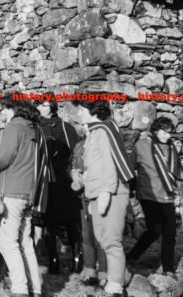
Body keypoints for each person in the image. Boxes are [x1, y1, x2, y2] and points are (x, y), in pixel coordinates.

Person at [0, 94, 51, 297]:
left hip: (13, 191)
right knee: (25, 242)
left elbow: (4, 158)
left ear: (14, 108)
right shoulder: (35, 128)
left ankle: (20, 290)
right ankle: (35, 288)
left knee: (6, 241)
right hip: (31, 192)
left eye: (5, 108)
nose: (2, 112)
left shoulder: (14, 127)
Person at [73, 98, 135, 297]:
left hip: (111, 192)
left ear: (92, 111)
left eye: (81, 110)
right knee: (102, 238)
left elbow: (108, 165)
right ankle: (120, 275)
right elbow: (94, 166)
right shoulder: (93, 132)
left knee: (111, 241)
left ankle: (115, 286)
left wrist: (105, 194)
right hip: (97, 193)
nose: (78, 114)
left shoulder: (101, 131)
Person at [126, 117, 182, 279]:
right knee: (155, 230)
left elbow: (177, 173)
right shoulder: (142, 145)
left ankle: (168, 268)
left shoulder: (172, 148)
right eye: (164, 132)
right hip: (149, 195)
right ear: (156, 130)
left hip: (168, 195)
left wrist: (179, 194)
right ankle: (133, 256)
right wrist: (131, 191)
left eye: (169, 133)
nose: (167, 136)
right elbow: (131, 168)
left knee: (170, 233)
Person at [36, 99, 82, 274]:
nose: (40, 107)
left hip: (66, 180)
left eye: (44, 104)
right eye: (38, 104)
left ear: (53, 107)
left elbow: (77, 152)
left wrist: (75, 175)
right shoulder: (36, 127)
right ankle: (53, 260)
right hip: (47, 180)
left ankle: (77, 260)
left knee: (72, 221)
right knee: (49, 222)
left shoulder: (66, 128)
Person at [71, 134, 109, 287]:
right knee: (87, 235)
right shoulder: (80, 146)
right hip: (84, 196)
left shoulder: (105, 146)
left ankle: (104, 273)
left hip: (99, 195)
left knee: (101, 236)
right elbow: (74, 166)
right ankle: (90, 271)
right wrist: (76, 178)